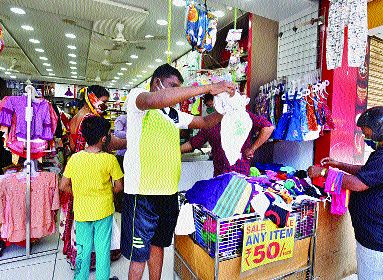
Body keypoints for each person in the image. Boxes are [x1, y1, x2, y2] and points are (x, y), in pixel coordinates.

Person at [121, 63, 235, 280]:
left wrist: (225, 106)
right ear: (157, 83)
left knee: (159, 246)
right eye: (172, 86)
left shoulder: (172, 114)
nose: (177, 93)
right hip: (141, 194)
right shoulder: (139, 99)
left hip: (168, 193)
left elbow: (204, 122)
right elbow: (154, 100)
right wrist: (207, 88)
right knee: (138, 256)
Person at [307, 106, 383, 280]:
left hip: (382, 239)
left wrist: (323, 173)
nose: (364, 136)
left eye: (366, 131)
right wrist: (338, 165)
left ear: (382, 129)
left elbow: (359, 184)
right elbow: (370, 171)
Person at [62, 85, 126, 269]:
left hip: (79, 174)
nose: (104, 106)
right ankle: (97, 262)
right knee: (100, 230)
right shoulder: (90, 119)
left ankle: (80, 260)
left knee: (80, 222)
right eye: (104, 102)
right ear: (92, 97)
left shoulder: (76, 117)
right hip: (95, 176)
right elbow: (109, 143)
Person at [181, 111, 274, 177]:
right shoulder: (210, 123)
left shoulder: (243, 117)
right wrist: (173, 150)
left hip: (240, 174)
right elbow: (193, 143)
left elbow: (268, 128)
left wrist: (252, 149)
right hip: (220, 175)